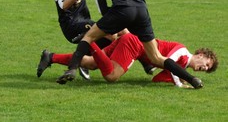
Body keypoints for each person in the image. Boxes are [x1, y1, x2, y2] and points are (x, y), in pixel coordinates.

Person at [56, 0, 203, 89]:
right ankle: (192, 79)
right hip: (141, 11)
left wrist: (115, 17)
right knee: (157, 58)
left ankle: (72, 70)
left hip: (122, 10)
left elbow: (103, 9)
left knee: (88, 37)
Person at [38, 32, 218, 88]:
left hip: (132, 43)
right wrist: (180, 81)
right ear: (201, 55)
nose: (204, 68)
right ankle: (90, 40)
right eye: (207, 65)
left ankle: (51, 57)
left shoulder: (183, 63)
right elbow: (168, 61)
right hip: (133, 44)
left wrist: (178, 78)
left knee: (92, 63)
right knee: (111, 76)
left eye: (207, 69)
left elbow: (157, 78)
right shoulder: (183, 52)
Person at [41, 0, 111, 80]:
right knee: (110, 34)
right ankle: (83, 59)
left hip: (84, 20)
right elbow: (64, 5)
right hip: (71, 25)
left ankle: (81, 57)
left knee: (109, 38)